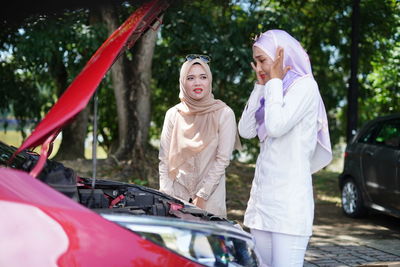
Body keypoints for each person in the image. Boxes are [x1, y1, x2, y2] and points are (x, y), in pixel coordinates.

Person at [238, 30, 332, 267]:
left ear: (281, 56)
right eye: (256, 61)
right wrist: (261, 86)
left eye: (263, 60)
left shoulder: (305, 87)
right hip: (262, 204)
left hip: (289, 207)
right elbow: (246, 130)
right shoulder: (271, 90)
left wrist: (275, 82)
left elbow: (276, 125)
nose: (258, 66)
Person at [159, 54, 240, 218]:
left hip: (210, 197)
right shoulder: (173, 114)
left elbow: (222, 159)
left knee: (209, 243)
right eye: (190, 78)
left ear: (209, 80)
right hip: (176, 197)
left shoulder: (224, 114)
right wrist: (166, 195)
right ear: (183, 82)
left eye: (203, 77)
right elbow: (164, 160)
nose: (197, 83)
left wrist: (202, 196)